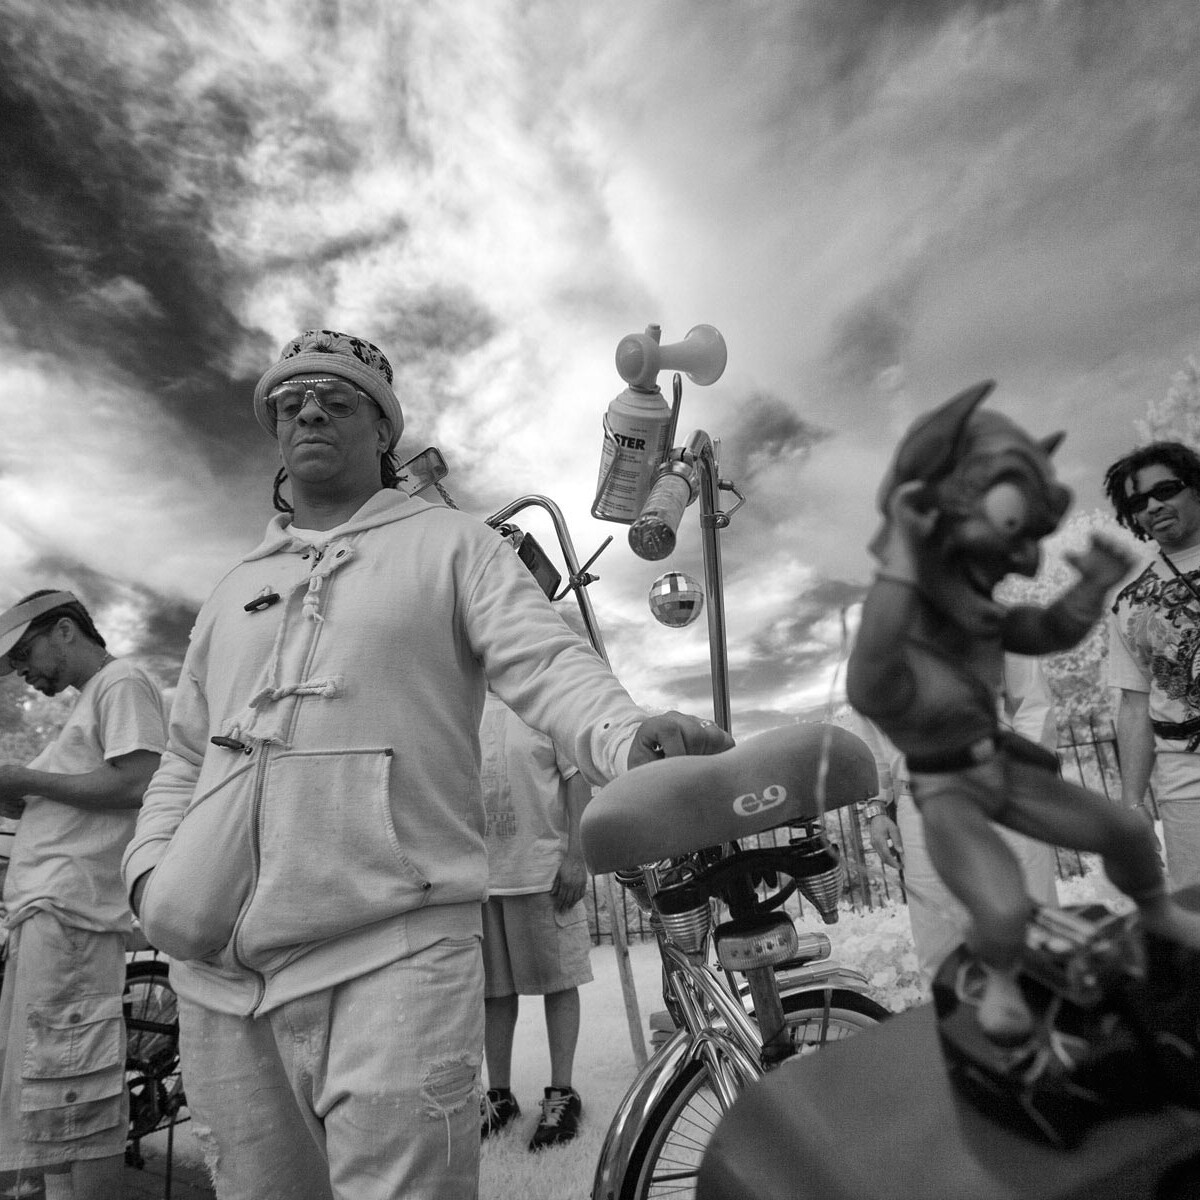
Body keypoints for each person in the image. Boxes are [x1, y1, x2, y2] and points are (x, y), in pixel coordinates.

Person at [121, 328, 732, 1200]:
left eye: (337, 399)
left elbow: (546, 660)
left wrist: (627, 738)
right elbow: (184, 757)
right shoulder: (231, 591)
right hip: (218, 987)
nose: (310, 412)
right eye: (290, 402)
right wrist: (150, 876)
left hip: (395, 959)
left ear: (383, 429)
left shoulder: (455, 545)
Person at [846, 381, 1200, 1042]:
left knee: (1125, 834)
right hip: (947, 788)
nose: (1026, 557)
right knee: (1003, 907)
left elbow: (1044, 631)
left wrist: (1090, 588)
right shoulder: (904, 615)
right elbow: (867, 687)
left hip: (1004, 768)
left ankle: (1156, 913)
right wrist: (900, 560)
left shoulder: (978, 613)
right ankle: (1001, 978)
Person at [0, 590, 167, 1200]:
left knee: (73, 1087)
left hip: (70, 912)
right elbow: (86, 792)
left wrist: (22, 777)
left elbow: (138, 780)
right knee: (50, 1086)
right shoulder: (95, 699)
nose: (22, 672)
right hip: (51, 910)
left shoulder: (120, 682)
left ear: (65, 630)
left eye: (25, 654)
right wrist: (25, 793)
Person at [855, 653, 1061, 990]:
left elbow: (1033, 703)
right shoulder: (870, 647)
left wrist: (1023, 775)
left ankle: (1052, 1017)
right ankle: (956, 1022)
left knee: (1035, 935)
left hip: (1000, 791)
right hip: (918, 806)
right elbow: (869, 732)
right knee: (940, 953)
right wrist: (876, 806)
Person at [478, 687, 592, 1150]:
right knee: (493, 992)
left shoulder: (545, 702)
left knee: (558, 983)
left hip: (543, 872)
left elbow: (578, 781)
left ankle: (562, 1093)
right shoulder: (465, 702)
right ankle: (500, 1097)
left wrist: (577, 858)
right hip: (484, 876)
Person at [1104, 441, 1200, 890]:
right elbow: (1135, 704)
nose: (1154, 506)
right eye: (1139, 502)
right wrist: (1132, 804)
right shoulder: (1128, 601)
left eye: (1165, 490)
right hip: (1187, 789)